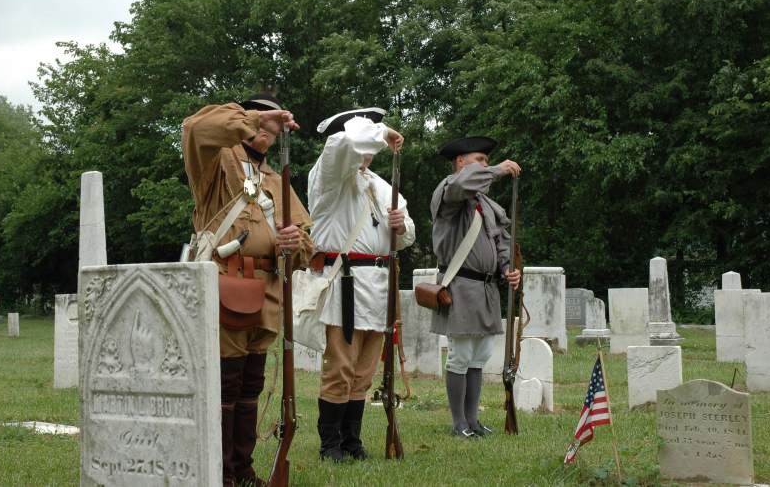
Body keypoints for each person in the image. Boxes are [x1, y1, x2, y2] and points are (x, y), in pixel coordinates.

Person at [183, 93, 314, 487]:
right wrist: (255, 118)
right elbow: (194, 127)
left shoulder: (278, 180)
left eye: (273, 127)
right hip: (225, 283)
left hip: (268, 289)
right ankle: (219, 472)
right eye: (263, 124)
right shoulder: (217, 159)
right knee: (225, 381)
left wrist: (295, 243)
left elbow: (307, 244)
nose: (267, 132)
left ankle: (242, 470)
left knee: (251, 383)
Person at [307, 108, 415, 462]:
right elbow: (348, 142)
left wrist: (401, 227)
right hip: (345, 283)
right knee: (341, 366)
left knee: (365, 370)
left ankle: (352, 441)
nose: (370, 148)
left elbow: (405, 238)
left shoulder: (380, 185)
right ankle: (330, 444)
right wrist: (382, 131)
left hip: (378, 286)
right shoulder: (329, 176)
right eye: (366, 135)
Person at [429, 136, 521, 438]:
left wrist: (508, 269)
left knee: (478, 357)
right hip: (461, 285)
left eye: (486, 160)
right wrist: (496, 169)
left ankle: (472, 420)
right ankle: (458, 423)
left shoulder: (488, 206)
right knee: (460, 356)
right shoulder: (449, 192)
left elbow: (501, 243)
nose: (484, 165)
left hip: (486, 289)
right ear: (460, 163)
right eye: (478, 160)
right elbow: (461, 186)